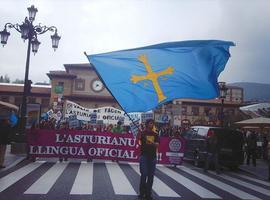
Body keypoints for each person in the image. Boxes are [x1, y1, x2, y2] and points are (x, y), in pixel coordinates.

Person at [138, 119, 159, 200]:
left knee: (151, 176)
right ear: (147, 124)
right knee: (144, 174)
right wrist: (139, 134)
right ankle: (142, 192)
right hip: (144, 156)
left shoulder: (155, 134)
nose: (152, 124)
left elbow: (157, 145)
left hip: (152, 157)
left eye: (153, 123)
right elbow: (138, 141)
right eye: (150, 123)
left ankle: (148, 193)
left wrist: (151, 142)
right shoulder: (142, 133)